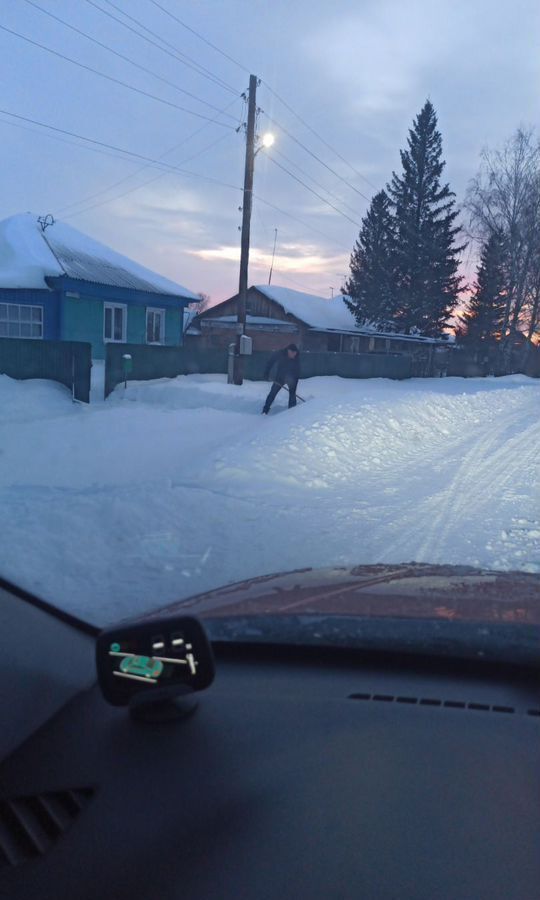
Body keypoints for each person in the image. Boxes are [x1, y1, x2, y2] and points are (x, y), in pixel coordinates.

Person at [262, 343, 301, 414]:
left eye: (295, 353)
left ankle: (292, 412)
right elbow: (270, 362)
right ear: (288, 351)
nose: (294, 355)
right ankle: (265, 410)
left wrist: (295, 381)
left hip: (292, 378)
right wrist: (266, 373)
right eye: (292, 353)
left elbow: (297, 370)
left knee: (292, 394)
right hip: (280, 377)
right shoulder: (280, 353)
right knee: (273, 392)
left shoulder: (296, 356)